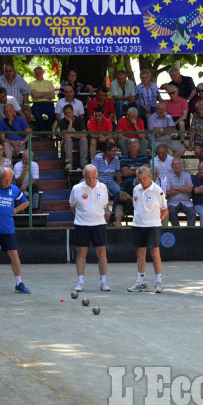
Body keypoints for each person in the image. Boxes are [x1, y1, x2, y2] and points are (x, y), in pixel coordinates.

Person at [127, 166, 169, 293]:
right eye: (139, 179)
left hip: (153, 227)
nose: (142, 181)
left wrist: (155, 221)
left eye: (144, 178)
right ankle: (141, 282)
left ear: (150, 176)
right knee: (140, 253)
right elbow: (137, 207)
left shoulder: (157, 190)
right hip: (138, 225)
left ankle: (158, 282)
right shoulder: (136, 189)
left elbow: (165, 210)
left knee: (155, 253)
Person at [69, 164, 111, 292]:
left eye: (93, 177)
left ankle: (103, 281)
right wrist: (81, 217)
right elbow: (72, 206)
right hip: (82, 225)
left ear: (97, 175)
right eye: (88, 178)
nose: (91, 180)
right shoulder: (76, 189)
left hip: (99, 224)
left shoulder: (103, 188)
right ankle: (80, 282)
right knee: (81, 253)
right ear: (83, 176)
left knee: (102, 253)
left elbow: (104, 205)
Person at [92, 142, 129, 226]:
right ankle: (104, 213)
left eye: (116, 151)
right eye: (113, 151)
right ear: (107, 152)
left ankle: (113, 212)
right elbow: (94, 172)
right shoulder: (98, 157)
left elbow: (118, 172)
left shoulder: (115, 158)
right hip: (100, 181)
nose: (115, 153)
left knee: (118, 191)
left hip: (110, 181)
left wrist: (119, 184)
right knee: (105, 193)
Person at [164, 157, 196, 226]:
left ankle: (190, 231)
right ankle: (177, 231)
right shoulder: (168, 176)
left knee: (192, 212)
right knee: (171, 211)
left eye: (178, 164)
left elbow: (189, 189)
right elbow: (168, 192)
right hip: (172, 202)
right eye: (174, 165)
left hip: (186, 202)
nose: (176, 166)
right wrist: (184, 188)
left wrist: (175, 188)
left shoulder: (187, 175)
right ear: (172, 166)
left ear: (181, 165)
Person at [58, 104, 88, 171]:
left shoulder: (80, 120)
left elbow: (84, 134)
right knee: (68, 139)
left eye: (69, 113)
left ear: (73, 111)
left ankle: (84, 163)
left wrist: (72, 135)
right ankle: (69, 163)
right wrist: (70, 122)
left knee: (84, 139)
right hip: (67, 143)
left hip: (79, 142)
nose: (68, 115)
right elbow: (66, 136)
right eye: (66, 113)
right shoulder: (62, 122)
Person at [29, 66, 56, 132]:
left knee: (54, 114)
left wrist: (40, 95)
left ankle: (45, 130)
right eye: (36, 73)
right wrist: (47, 93)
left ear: (43, 72)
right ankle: (46, 131)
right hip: (37, 104)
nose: (38, 74)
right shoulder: (31, 83)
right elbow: (34, 95)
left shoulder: (49, 83)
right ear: (34, 74)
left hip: (48, 104)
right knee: (37, 115)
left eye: (39, 72)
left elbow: (52, 95)